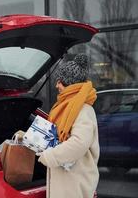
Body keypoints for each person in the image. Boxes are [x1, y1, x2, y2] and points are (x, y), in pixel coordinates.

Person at [37, 54, 99, 198]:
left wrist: (50, 155)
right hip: (67, 179)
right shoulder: (67, 107)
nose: (56, 85)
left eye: (59, 82)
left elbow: (79, 143)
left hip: (75, 183)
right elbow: (58, 136)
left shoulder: (83, 110)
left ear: (69, 83)